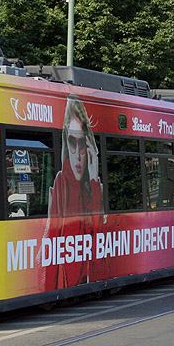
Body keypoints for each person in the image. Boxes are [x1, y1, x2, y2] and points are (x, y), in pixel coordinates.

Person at [39, 95, 104, 290]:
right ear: (66, 144)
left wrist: (93, 180)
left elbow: (99, 240)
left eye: (81, 143)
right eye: (71, 142)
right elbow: (50, 244)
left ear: (89, 146)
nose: (77, 153)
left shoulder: (94, 187)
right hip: (66, 281)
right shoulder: (60, 184)